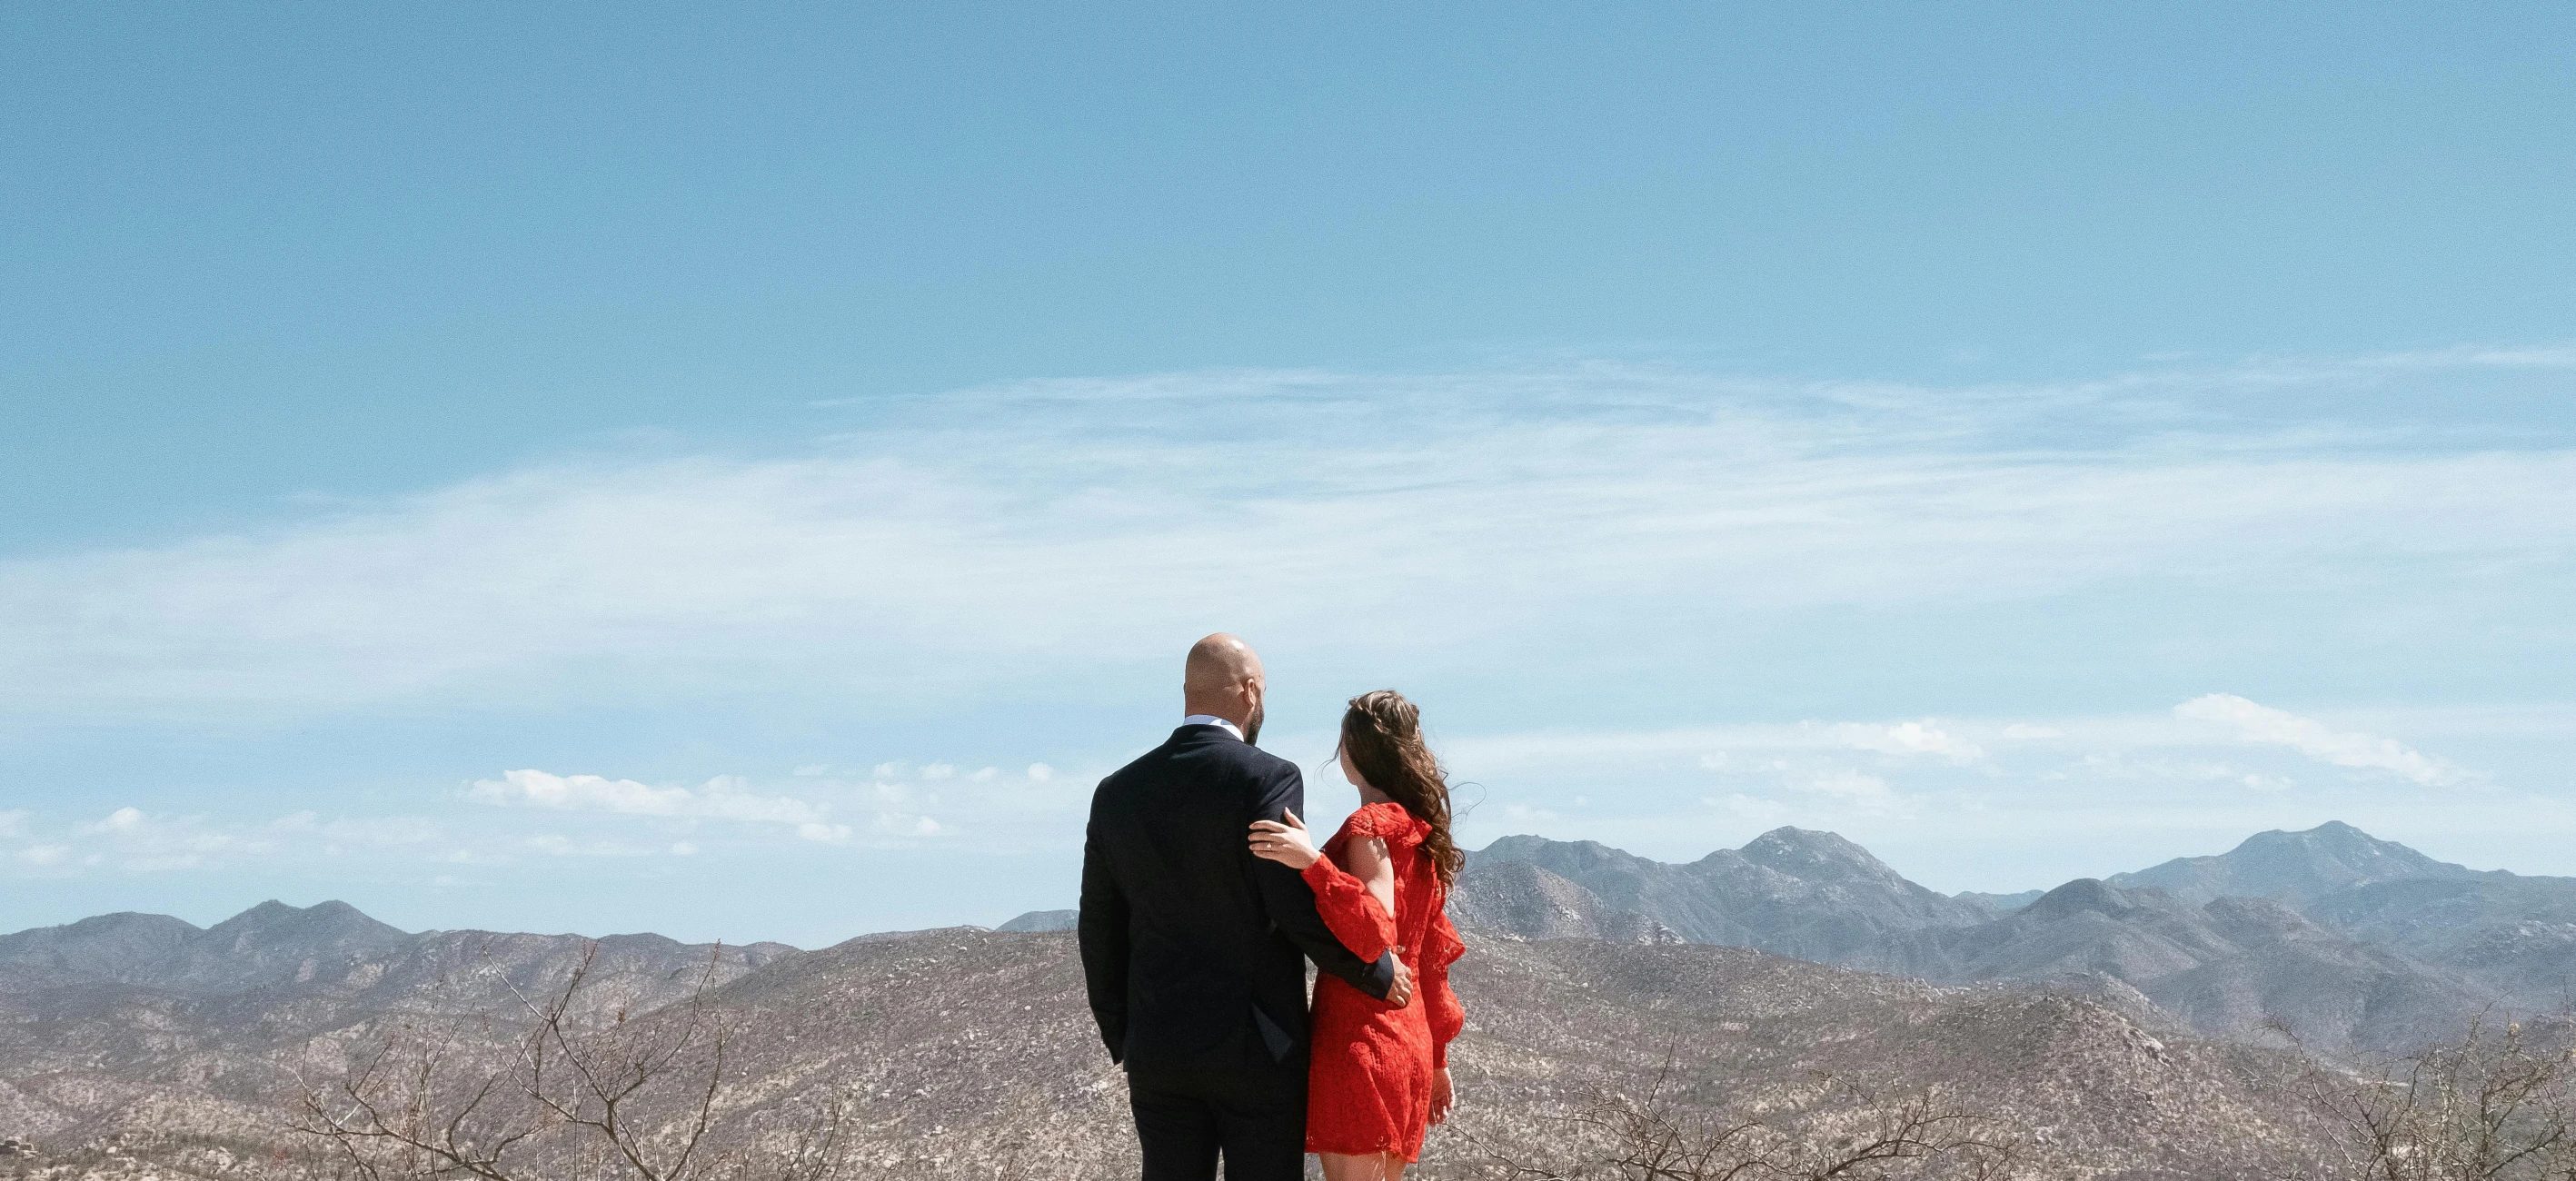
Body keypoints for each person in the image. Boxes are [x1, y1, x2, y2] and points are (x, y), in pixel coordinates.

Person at [1079, 634, 1416, 1181]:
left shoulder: (1115, 793)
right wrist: (1374, 971)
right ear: (1251, 692)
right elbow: (1290, 905)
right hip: (1258, 1047)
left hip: (1159, 1047)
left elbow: (1098, 927)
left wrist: (1124, 1032)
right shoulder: (1267, 778)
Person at [1248, 689, 1467, 1181]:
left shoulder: (1370, 827)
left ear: (1351, 755)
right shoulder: (1421, 835)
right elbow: (1431, 965)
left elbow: (1374, 930)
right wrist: (1436, 1060)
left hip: (1362, 1043)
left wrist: (1312, 863)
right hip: (1408, 1043)